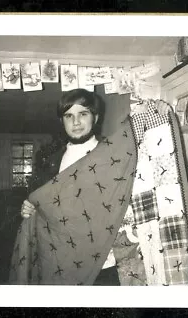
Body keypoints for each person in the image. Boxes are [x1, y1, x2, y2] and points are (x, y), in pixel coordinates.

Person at [20, 88, 120, 285]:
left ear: (95, 118)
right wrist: (28, 208)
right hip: (62, 260)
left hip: (103, 262)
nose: (76, 122)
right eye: (69, 116)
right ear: (62, 121)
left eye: (83, 114)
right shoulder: (50, 161)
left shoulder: (111, 155)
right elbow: (39, 202)